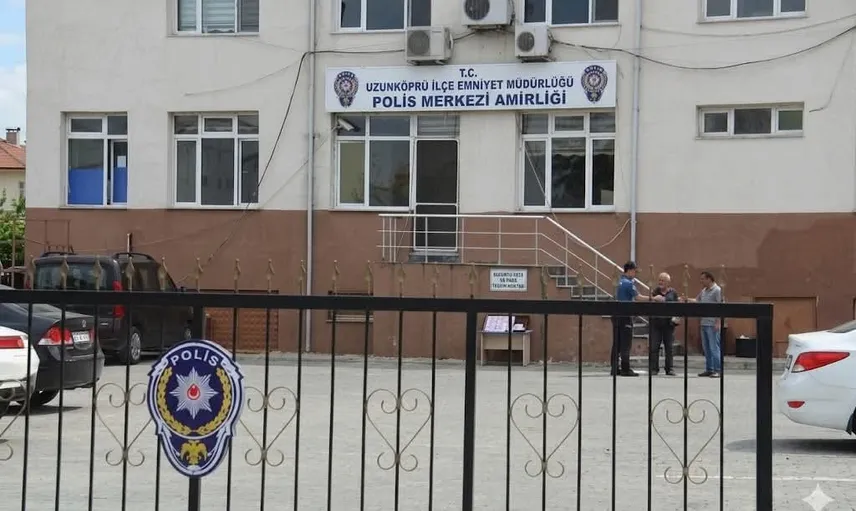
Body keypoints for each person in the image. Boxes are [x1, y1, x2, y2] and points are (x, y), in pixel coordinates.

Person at [612, 261, 663, 377]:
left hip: (616, 314)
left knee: (617, 343)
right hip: (625, 315)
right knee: (626, 343)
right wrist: (654, 298)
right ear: (629, 270)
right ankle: (625, 368)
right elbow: (638, 297)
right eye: (635, 271)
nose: (635, 274)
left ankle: (614, 368)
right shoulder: (628, 283)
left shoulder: (619, 281)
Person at [684, 271, 723, 378]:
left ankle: (718, 370)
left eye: (703, 279)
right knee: (706, 348)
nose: (701, 281)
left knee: (714, 348)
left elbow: (721, 307)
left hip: (712, 324)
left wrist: (718, 322)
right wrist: (687, 299)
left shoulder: (717, 290)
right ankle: (709, 369)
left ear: (709, 279)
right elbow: (697, 300)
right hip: (704, 323)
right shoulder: (704, 291)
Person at [649, 272, 679, 376]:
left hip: (668, 324)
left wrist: (677, 318)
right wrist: (654, 299)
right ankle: (654, 368)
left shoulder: (673, 293)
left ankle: (669, 368)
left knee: (669, 348)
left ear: (668, 282)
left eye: (663, 280)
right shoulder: (654, 292)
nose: (660, 282)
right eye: (659, 280)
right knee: (654, 347)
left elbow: (677, 307)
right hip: (656, 323)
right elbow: (649, 304)